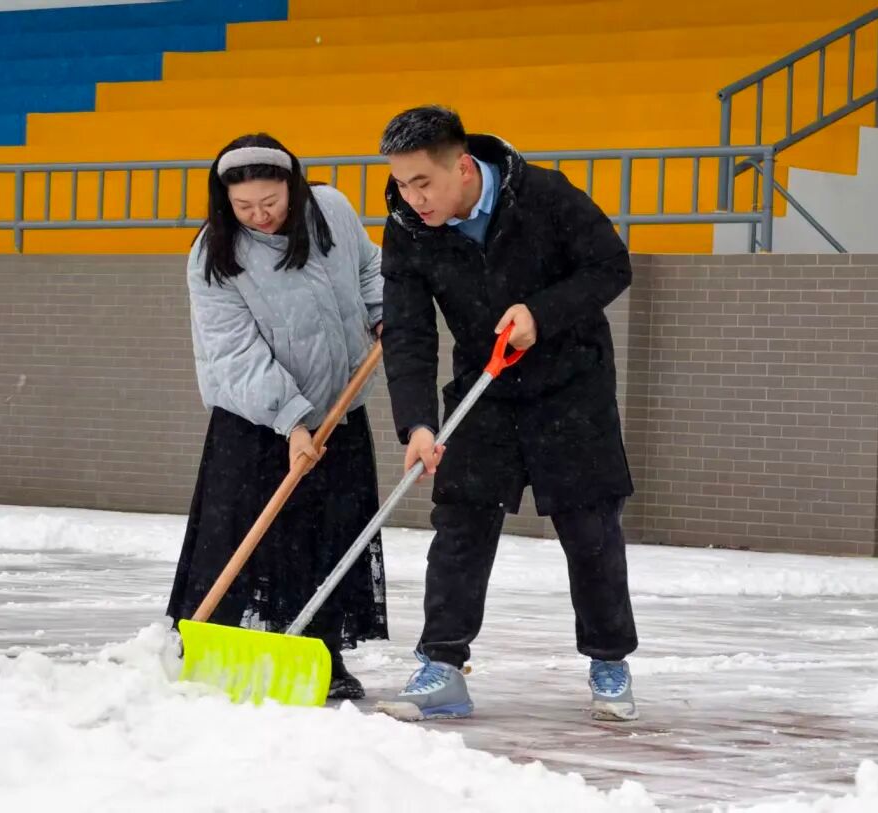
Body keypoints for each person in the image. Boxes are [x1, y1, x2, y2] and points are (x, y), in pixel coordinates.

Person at [373, 106, 639, 722]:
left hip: (572, 387)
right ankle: (442, 667)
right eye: (402, 184)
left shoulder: (544, 195)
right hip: (483, 389)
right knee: (461, 526)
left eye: (423, 183)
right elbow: (409, 332)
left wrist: (540, 314)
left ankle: (609, 660)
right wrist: (418, 423)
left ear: (463, 168)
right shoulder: (407, 228)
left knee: (591, 531)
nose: (412, 199)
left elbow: (610, 266)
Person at [166, 133, 388, 700]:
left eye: (270, 201)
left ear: (294, 186)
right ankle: (217, 648)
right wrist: (291, 421)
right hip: (256, 423)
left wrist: (384, 312)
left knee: (330, 537)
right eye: (244, 206)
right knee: (246, 541)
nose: (259, 215)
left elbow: (368, 267)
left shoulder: (331, 211)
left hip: (338, 412)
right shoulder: (214, 254)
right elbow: (234, 352)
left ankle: (322, 653)